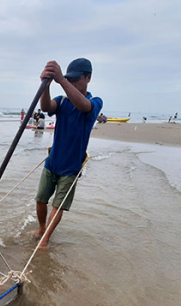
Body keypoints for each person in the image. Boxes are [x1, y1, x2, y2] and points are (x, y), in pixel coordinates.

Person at [34, 58, 102, 248]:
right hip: (52, 161)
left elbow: (84, 107)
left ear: (88, 77)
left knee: (58, 205)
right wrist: (45, 84)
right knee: (41, 199)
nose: (70, 82)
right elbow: (47, 108)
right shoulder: (62, 101)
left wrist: (61, 80)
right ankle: (41, 228)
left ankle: (45, 240)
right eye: (68, 79)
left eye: (74, 79)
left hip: (71, 167)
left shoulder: (94, 102)